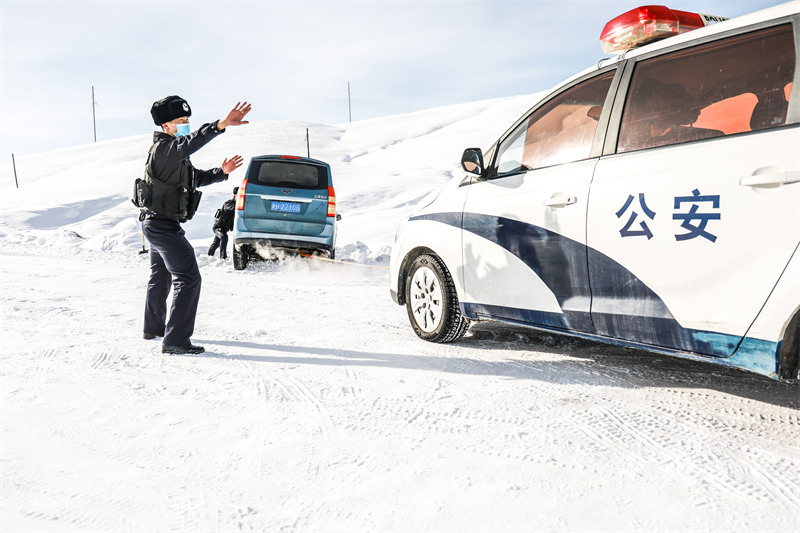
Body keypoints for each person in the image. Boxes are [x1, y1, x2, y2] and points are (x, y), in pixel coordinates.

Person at [142, 95, 251, 354]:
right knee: (188, 278)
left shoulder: (170, 154)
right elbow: (191, 143)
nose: (186, 124)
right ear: (165, 125)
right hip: (162, 227)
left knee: (161, 274)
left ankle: (154, 328)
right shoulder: (167, 149)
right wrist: (220, 125)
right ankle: (176, 341)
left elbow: (193, 179)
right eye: (180, 120)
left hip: (157, 223)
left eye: (187, 119)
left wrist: (221, 172)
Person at [208, 187, 238, 259]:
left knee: (216, 244)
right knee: (224, 237)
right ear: (235, 196)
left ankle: (209, 256)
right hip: (218, 227)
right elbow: (231, 208)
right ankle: (223, 258)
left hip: (224, 229)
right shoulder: (228, 203)